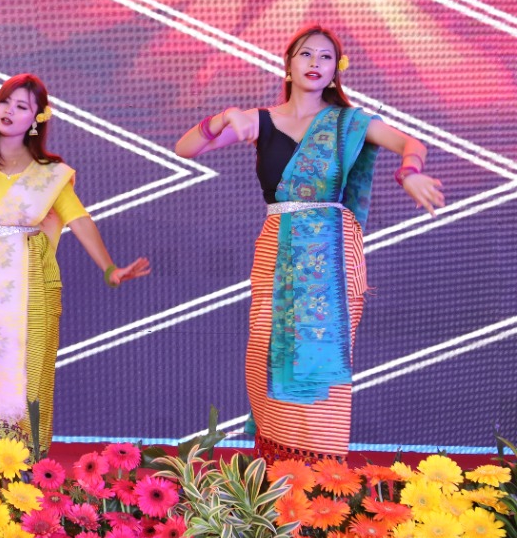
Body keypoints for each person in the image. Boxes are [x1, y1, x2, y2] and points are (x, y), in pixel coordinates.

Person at [174, 25, 444, 462]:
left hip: (331, 259)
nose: (315, 63)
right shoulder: (259, 120)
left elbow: (409, 142)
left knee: (320, 363)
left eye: (325, 56)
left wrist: (409, 172)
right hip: (275, 251)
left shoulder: (349, 123)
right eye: (306, 54)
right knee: (268, 355)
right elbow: (186, 149)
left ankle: (319, 475)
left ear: (336, 70)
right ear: (288, 64)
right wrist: (226, 116)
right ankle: (276, 470)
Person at [0, 74, 150, 452]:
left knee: (33, 366)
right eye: (6, 101)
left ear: (37, 119)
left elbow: (79, 219)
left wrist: (110, 268)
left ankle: (28, 462)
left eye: (22, 106)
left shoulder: (49, 172)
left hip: (33, 277)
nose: (9, 111)